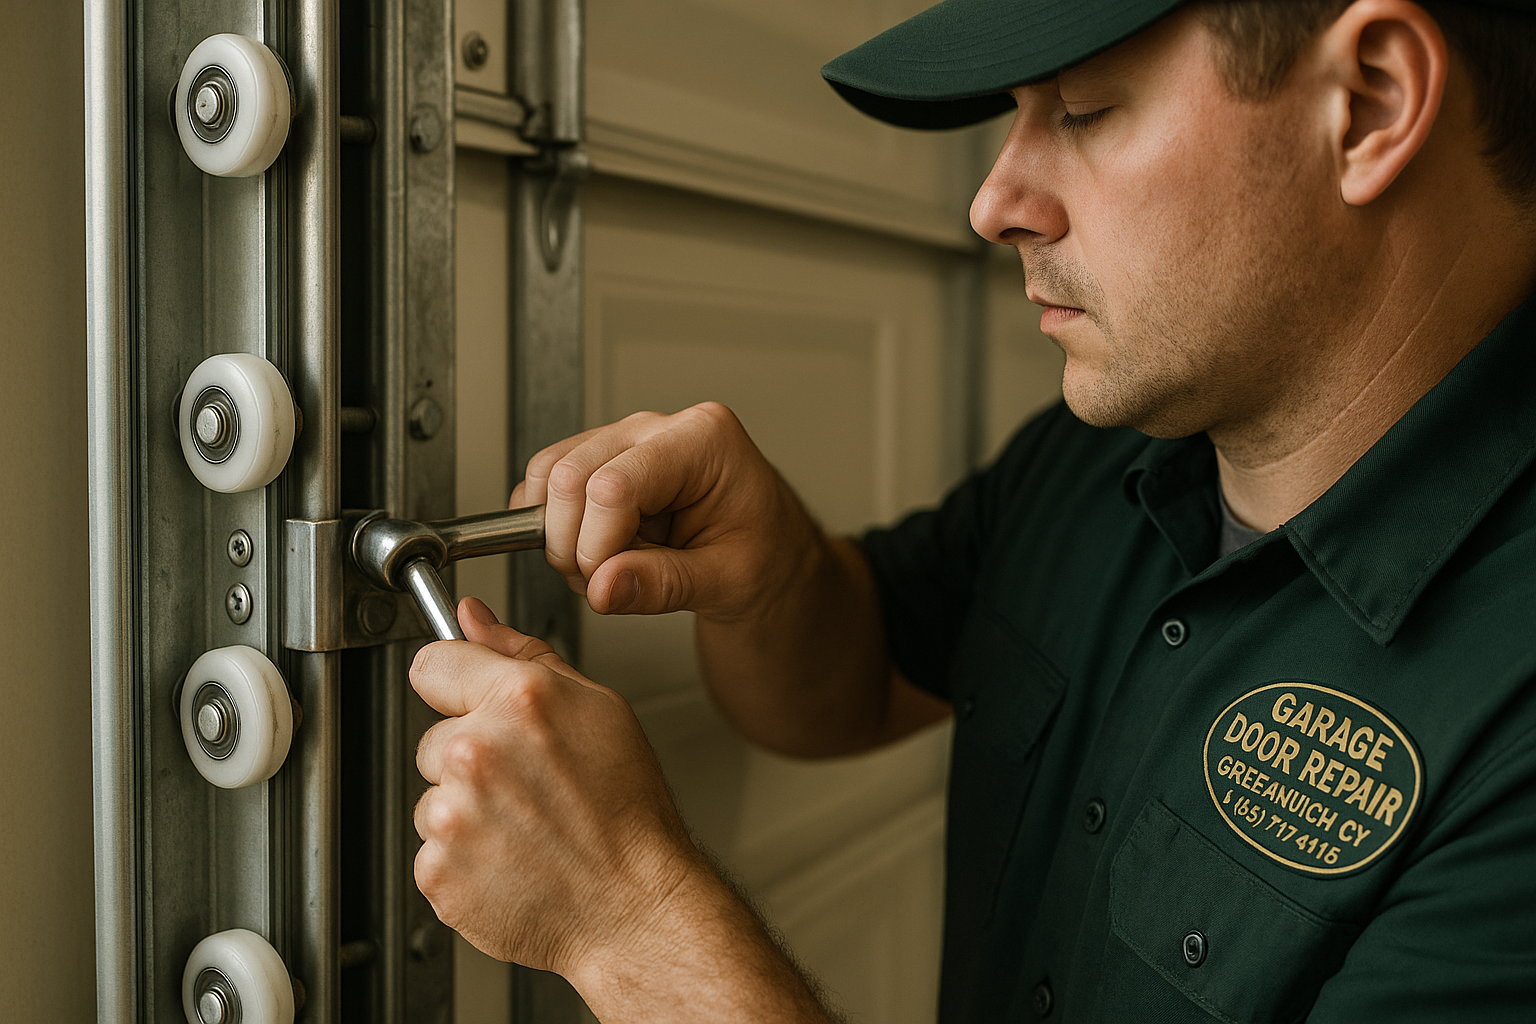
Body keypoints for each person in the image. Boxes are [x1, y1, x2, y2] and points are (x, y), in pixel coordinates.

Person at [408, 0, 1536, 1019]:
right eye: (1015, 111)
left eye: (1086, 109)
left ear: (1370, 103)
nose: (994, 202)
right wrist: (781, 578)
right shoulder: (1109, 452)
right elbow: (856, 682)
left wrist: (635, 919)